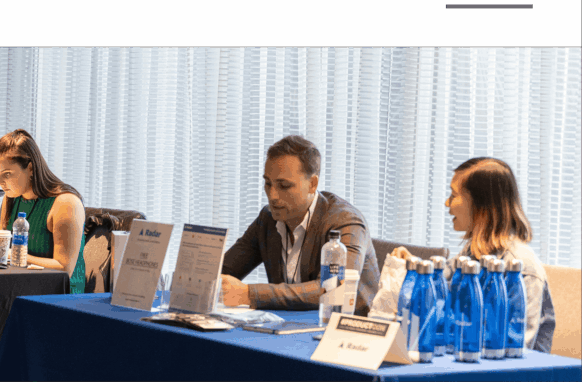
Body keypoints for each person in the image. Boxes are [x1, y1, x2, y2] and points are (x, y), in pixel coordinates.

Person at [390, 157, 555, 352]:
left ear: (482, 205)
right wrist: (413, 265)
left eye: (454, 195)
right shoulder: (472, 254)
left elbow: (518, 348)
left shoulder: (522, 268)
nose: (446, 203)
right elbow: (439, 286)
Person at [219, 135, 381, 315]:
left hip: (349, 332)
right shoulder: (267, 219)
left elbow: (334, 288)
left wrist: (250, 294)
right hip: (287, 329)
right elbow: (223, 271)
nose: (272, 196)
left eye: (284, 186)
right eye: (268, 183)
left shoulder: (346, 222)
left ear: (312, 184)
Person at [0, 129, 88, 292]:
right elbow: (6, 249)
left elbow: (64, 268)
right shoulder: (11, 198)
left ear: (31, 168)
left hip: (59, 296)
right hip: (21, 286)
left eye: (7, 174)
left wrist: (14, 255)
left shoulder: (66, 203)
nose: (0, 182)